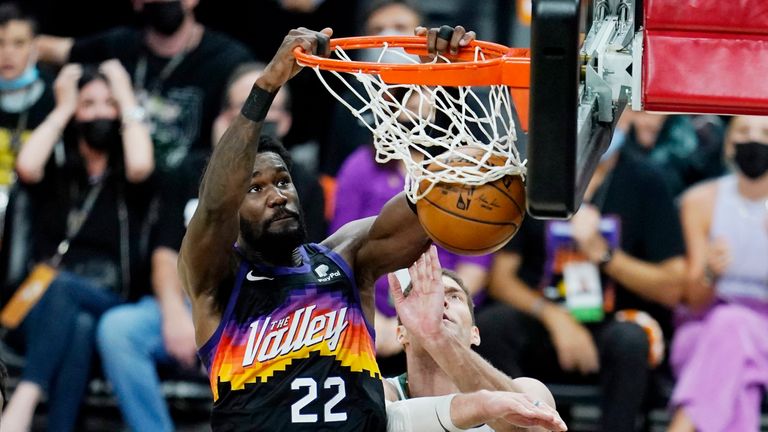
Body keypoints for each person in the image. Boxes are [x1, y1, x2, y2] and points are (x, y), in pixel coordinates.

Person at [178, 25, 552, 431]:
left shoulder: (346, 257)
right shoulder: (218, 283)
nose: (276, 195)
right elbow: (214, 208)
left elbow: (434, 201)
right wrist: (266, 85)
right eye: (255, 188)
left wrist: (442, 81)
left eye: (283, 182)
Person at [94, 61, 324, 432]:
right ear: (226, 117)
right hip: (189, 299)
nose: (262, 115)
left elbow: (309, 264)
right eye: (247, 105)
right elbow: (167, 252)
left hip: (265, 308)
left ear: (288, 121)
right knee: (118, 330)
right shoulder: (191, 171)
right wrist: (174, 314)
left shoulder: (298, 182)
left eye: (273, 109)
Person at [475, 127, 686, 431]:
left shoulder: (646, 179)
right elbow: (500, 279)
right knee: (493, 326)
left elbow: (672, 287)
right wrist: (556, 319)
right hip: (543, 318)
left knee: (631, 342)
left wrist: (605, 255)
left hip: (614, 322)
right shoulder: (533, 176)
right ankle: (517, 426)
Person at [1, 61, 155, 432]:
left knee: (64, 289)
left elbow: (141, 165)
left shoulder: (127, 175)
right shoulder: (58, 170)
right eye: (89, 103)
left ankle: (22, 402)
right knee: (77, 321)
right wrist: (64, 107)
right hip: (42, 310)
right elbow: (26, 166)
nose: (100, 112)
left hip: (111, 301)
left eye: (108, 103)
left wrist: (124, 93)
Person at [37, 0, 253, 173]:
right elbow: (49, 49)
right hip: (126, 189)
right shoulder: (118, 45)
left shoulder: (228, 60)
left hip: (193, 187)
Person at [384, 246, 566, 432]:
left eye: (454, 297)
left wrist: (438, 337)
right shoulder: (382, 391)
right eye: (425, 298)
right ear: (401, 333)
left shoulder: (528, 389)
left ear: (475, 334)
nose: (439, 302)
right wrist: (480, 406)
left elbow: (527, 426)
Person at [667, 116, 768, 432]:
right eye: (743, 131)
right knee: (732, 333)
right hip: (703, 325)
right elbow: (694, 302)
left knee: (734, 334)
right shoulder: (700, 201)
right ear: (728, 144)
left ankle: (682, 425)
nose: (754, 140)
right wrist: (710, 271)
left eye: (765, 132)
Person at [0, 3, 55, 291]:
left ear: (34, 47)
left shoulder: (53, 97)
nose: (7, 53)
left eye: (18, 43)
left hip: (30, 217)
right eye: (0, 43)